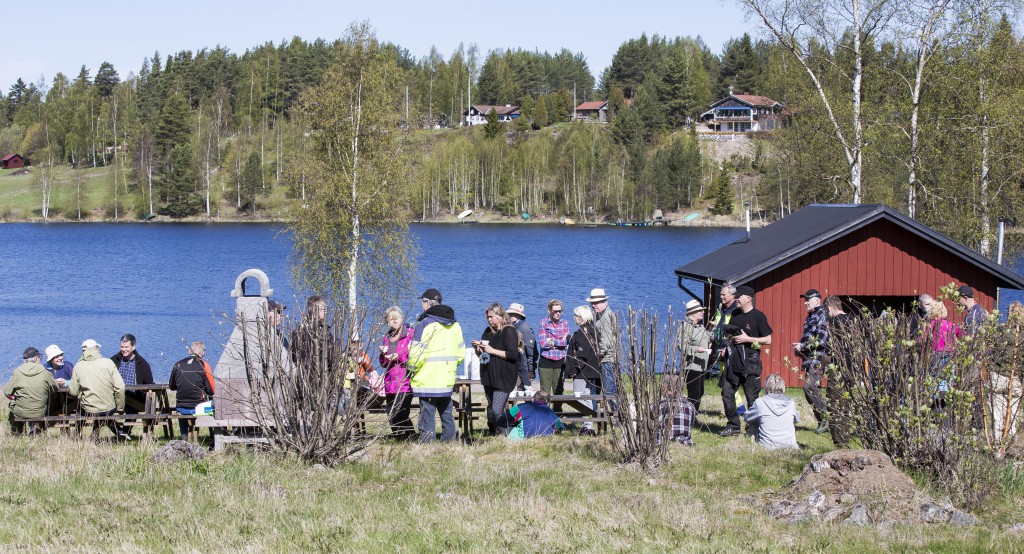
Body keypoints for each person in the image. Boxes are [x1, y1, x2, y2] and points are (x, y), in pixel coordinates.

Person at [408, 288, 464, 443]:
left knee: (427, 416)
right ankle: (448, 443)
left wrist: (411, 370)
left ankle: (427, 446)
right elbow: (460, 354)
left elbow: (415, 354)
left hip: (427, 379)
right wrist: (448, 366)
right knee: (447, 415)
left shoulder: (424, 324)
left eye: (422, 302)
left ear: (427, 302)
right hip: (446, 379)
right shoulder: (455, 325)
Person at [720, 285, 773, 437]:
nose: (735, 299)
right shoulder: (735, 313)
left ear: (748, 298)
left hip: (751, 360)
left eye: (739, 297)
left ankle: (754, 427)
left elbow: (768, 339)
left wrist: (748, 339)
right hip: (735, 357)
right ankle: (733, 425)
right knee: (727, 392)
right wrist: (727, 345)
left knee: (752, 397)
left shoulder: (758, 316)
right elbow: (732, 333)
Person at [474, 303, 521, 436]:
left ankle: (508, 434)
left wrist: (492, 350)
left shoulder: (509, 331)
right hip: (488, 375)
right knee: (491, 409)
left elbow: (512, 355)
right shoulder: (488, 331)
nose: (489, 320)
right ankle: (496, 434)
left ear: (500, 316)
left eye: (491, 317)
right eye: (487, 317)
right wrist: (478, 349)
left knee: (496, 409)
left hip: (504, 377)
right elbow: (484, 356)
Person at [69, 339, 126, 439]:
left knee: (82, 410)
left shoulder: (78, 366)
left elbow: (73, 392)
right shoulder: (108, 363)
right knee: (102, 412)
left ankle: (77, 435)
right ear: (96, 349)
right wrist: (120, 407)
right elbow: (120, 386)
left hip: (88, 409)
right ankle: (118, 433)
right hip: (109, 408)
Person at [793, 289, 830, 434]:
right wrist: (801, 348)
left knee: (809, 388)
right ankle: (823, 421)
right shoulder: (810, 316)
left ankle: (825, 419)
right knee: (813, 389)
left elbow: (821, 340)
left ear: (817, 299)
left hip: (819, 359)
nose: (805, 302)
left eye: (808, 299)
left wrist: (803, 346)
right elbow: (810, 338)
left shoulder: (822, 314)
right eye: (805, 299)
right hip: (810, 358)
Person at [824, 296, 854, 448]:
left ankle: (840, 442)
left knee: (835, 404)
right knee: (847, 404)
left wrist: (822, 366)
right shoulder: (855, 320)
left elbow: (829, 351)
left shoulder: (834, 323)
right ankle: (846, 438)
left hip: (838, 368)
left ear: (830, 308)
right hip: (854, 369)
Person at [379, 306, 414, 439]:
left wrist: (398, 357)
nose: (393, 323)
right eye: (390, 320)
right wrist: (383, 355)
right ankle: (399, 438)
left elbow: (415, 356)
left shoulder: (410, 334)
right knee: (391, 413)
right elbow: (382, 363)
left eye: (396, 319)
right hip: (390, 380)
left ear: (401, 318)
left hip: (404, 379)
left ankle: (410, 436)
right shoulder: (387, 337)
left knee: (402, 412)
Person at [3, 347, 57, 434]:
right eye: (39, 357)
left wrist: (14, 397)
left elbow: (6, 392)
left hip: (21, 411)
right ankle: (38, 431)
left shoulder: (17, 372)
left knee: (12, 406)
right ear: (36, 358)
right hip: (40, 411)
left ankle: (17, 432)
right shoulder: (45, 372)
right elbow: (55, 389)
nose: (40, 359)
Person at [565, 305, 601, 435]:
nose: (574, 318)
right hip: (593, 370)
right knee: (588, 397)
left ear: (581, 318)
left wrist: (574, 368)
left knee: (580, 398)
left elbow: (581, 353)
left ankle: (588, 425)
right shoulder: (594, 330)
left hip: (582, 372)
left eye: (575, 316)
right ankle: (589, 424)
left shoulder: (582, 333)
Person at [168, 341, 214, 439]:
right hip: (199, 408)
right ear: (203, 353)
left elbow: (171, 386)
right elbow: (211, 391)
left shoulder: (178, 364)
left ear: (189, 351)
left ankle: (184, 435)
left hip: (181, 407)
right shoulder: (205, 365)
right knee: (216, 405)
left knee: (183, 406)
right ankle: (213, 437)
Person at [744, 373, 799, 450]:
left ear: (766, 387)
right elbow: (796, 420)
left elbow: (747, 417)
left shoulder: (760, 402)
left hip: (767, 447)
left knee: (752, 422)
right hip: (790, 446)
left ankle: (754, 441)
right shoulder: (791, 403)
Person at [680, 299, 710, 411]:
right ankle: (690, 415)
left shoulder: (700, 326)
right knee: (694, 394)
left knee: (700, 392)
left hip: (702, 365)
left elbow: (706, 339)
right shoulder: (686, 327)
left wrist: (712, 330)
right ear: (692, 314)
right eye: (699, 311)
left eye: (702, 310)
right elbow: (682, 346)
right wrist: (696, 349)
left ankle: (693, 414)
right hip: (691, 366)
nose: (703, 312)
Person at [588, 288, 619, 398]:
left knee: (609, 391)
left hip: (607, 359)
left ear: (605, 302)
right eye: (592, 303)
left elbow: (606, 340)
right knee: (608, 389)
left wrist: (597, 354)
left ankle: (616, 413)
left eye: (596, 303)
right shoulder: (600, 315)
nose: (593, 305)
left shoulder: (606, 317)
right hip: (606, 359)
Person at [497, 390, 563, 441]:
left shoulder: (520, 407)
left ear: (532, 399)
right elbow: (559, 428)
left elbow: (502, 420)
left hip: (523, 439)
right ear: (548, 404)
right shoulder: (553, 414)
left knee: (507, 427)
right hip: (546, 439)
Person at [537, 299, 570, 395]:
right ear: (549, 311)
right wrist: (560, 342)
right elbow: (543, 343)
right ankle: (544, 409)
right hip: (546, 360)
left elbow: (567, 342)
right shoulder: (543, 323)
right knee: (544, 391)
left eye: (560, 311)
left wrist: (552, 341)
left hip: (560, 360)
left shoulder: (565, 323)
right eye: (555, 311)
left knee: (558, 389)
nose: (558, 313)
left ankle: (557, 410)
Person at [709, 284, 740, 378]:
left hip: (730, 349)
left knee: (731, 380)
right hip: (720, 348)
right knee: (723, 378)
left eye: (723, 294)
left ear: (732, 295)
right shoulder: (721, 309)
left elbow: (736, 332)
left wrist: (727, 347)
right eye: (720, 294)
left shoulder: (736, 311)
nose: (721, 297)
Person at [659, 375, 696, 446]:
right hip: (685, 442)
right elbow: (692, 423)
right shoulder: (689, 405)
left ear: (665, 388)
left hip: (664, 443)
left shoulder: (659, 405)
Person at [507, 302, 537, 390]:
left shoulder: (525, 328)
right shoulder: (513, 327)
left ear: (519, 315)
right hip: (516, 366)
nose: (510, 316)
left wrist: (531, 369)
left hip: (524, 368)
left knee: (523, 391)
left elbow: (530, 351)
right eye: (509, 314)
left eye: (513, 314)